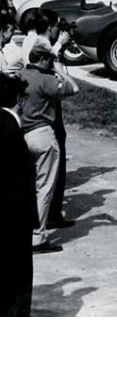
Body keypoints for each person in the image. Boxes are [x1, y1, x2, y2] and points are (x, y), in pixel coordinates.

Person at [19, 47, 79, 253]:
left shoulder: (19, 76)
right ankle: (38, 237)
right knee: (44, 188)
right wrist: (60, 71)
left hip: (22, 134)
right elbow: (74, 89)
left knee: (25, 187)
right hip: (43, 135)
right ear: (44, 60)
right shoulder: (46, 80)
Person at [0, 73, 37, 316]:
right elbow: (21, 176)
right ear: (19, 100)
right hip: (14, 215)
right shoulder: (11, 128)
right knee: (18, 277)